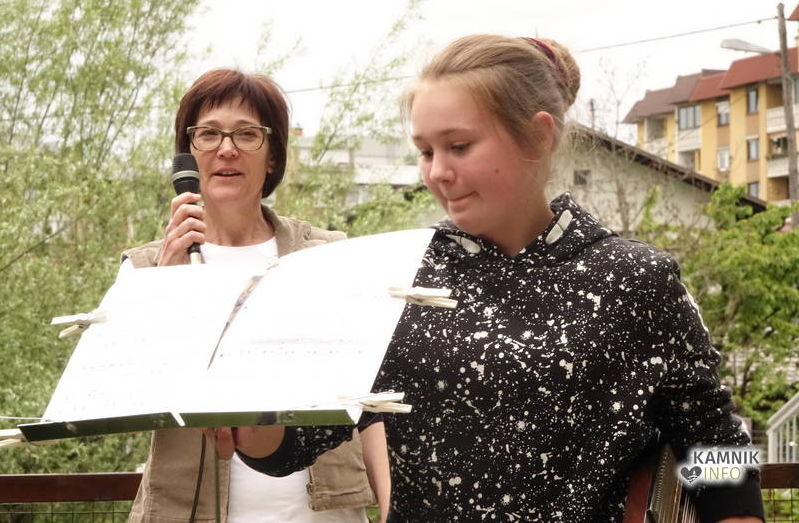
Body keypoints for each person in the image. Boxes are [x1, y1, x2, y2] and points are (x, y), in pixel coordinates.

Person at [211, 36, 765, 522]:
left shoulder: (635, 280)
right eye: (425, 151)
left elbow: (713, 441)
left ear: (538, 136)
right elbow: (302, 437)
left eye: (459, 146)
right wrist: (248, 426)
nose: (438, 172)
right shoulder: (393, 275)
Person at [121, 68, 390, 523]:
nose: (226, 149)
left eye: (247, 134)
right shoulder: (146, 269)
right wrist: (166, 292)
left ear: (272, 157)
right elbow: (128, 399)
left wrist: (390, 508)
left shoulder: (327, 256)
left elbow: (372, 401)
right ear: (188, 158)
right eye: (208, 134)